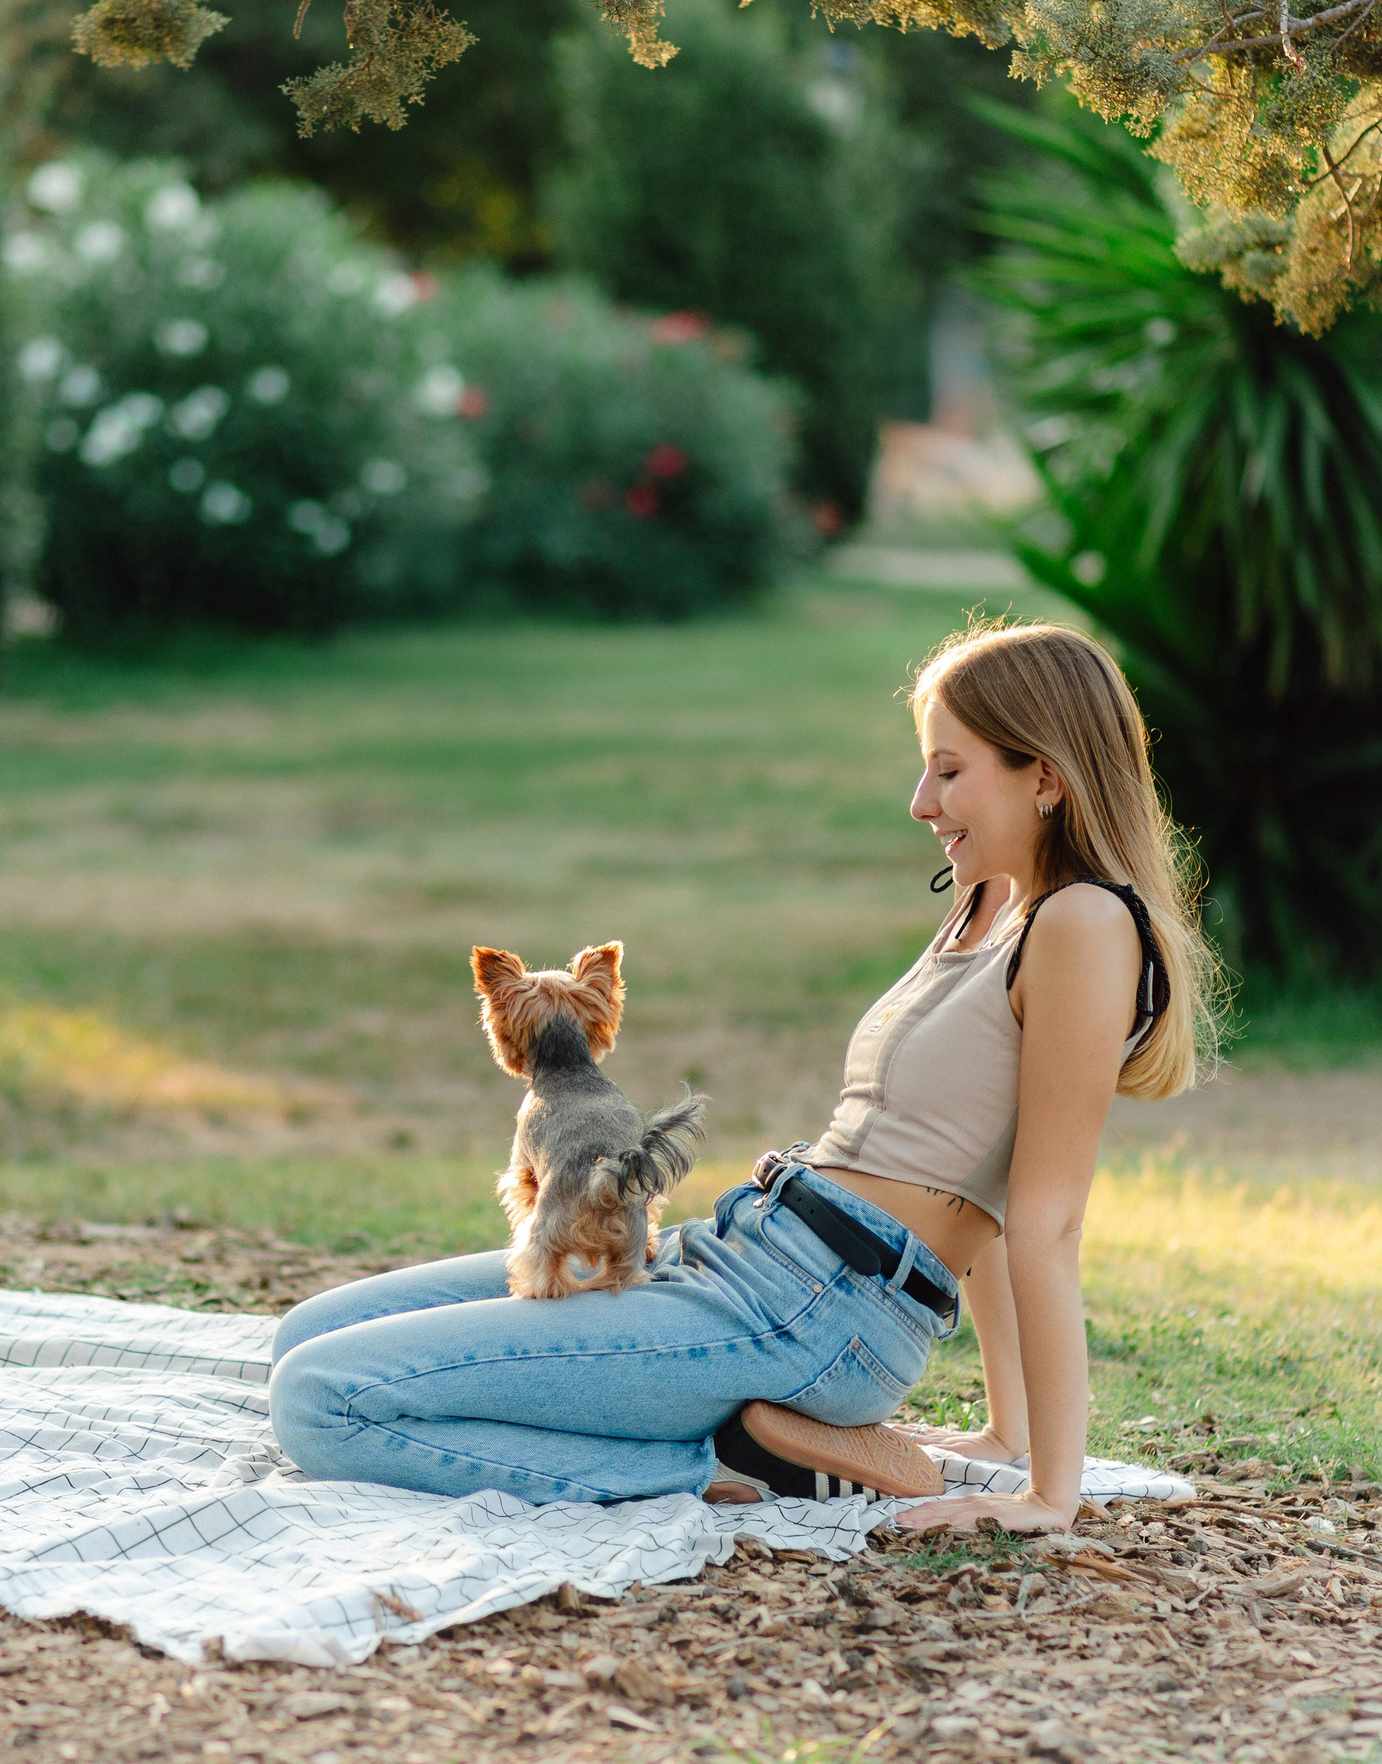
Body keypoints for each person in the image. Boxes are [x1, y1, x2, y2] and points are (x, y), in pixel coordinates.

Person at [268, 620, 1216, 1533]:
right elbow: (992, 1193)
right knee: (302, 1339)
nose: (921, 802)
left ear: (1044, 775)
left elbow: (1045, 1216)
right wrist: (999, 1432)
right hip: (740, 1248)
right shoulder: (994, 901)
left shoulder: (1086, 926)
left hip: (810, 1313)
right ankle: (688, 1417)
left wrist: (1049, 1488)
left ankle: (719, 1463)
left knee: (321, 1402)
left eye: (950, 770)